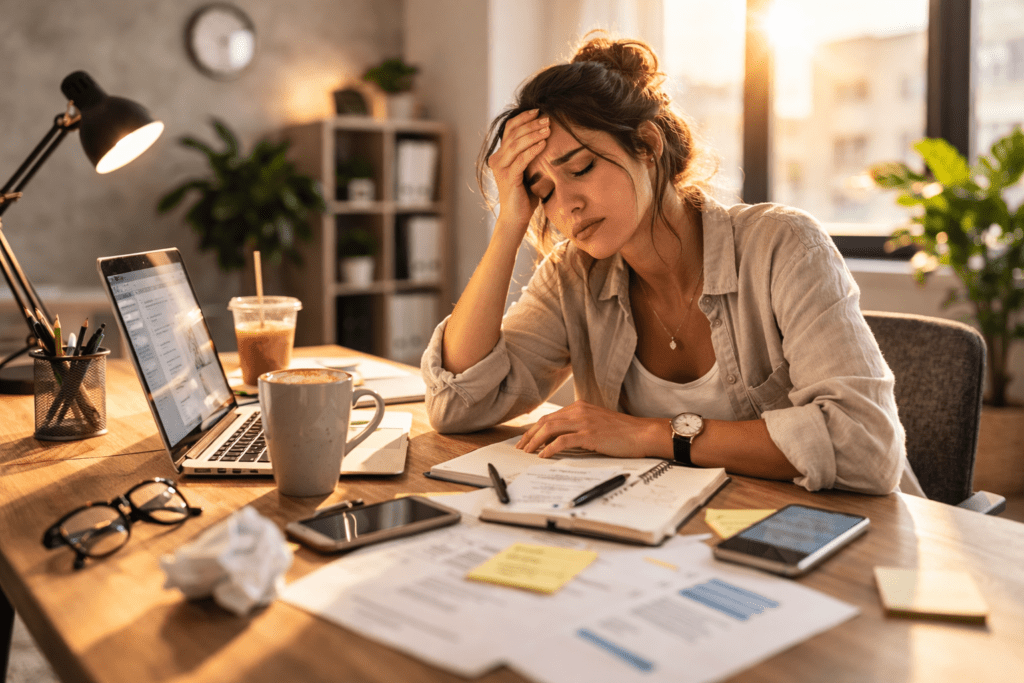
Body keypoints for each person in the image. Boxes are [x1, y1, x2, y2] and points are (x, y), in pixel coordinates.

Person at [421, 34, 923, 496]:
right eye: (543, 192)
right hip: (680, 536)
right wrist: (509, 223)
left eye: (581, 168)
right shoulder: (572, 275)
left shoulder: (783, 246)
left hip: (842, 536)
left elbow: (866, 447)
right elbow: (458, 405)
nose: (565, 205)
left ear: (648, 145)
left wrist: (649, 435)